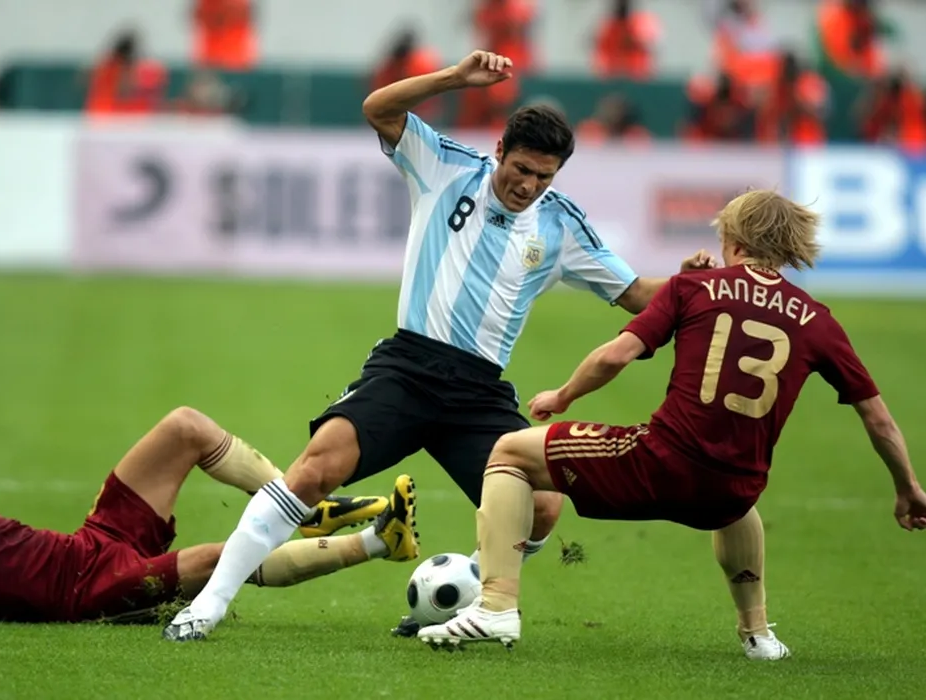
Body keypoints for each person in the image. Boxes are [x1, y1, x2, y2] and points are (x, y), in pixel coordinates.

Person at [164, 49, 713, 642]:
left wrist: (686, 283)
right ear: (499, 150)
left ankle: (466, 593)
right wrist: (454, 78)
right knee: (316, 470)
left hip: (478, 393)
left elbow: (634, 294)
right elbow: (378, 108)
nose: (528, 185)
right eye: (521, 169)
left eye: (544, 176)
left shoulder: (561, 226)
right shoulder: (446, 166)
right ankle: (207, 605)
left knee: (544, 505)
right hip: (408, 367)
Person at [416, 189, 926, 659]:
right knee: (740, 506)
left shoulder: (693, 287)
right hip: (731, 488)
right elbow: (878, 419)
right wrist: (908, 488)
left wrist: (562, 395)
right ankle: (757, 634)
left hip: (660, 465)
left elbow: (616, 356)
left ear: (733, 240)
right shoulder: (816, 318)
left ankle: (496, 606)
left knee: (509, 451)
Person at [0, 407, 416, 627]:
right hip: (86, 590)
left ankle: (307, 506)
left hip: (91, 542)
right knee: (221, 558)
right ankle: (378, 542)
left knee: (185, 427)